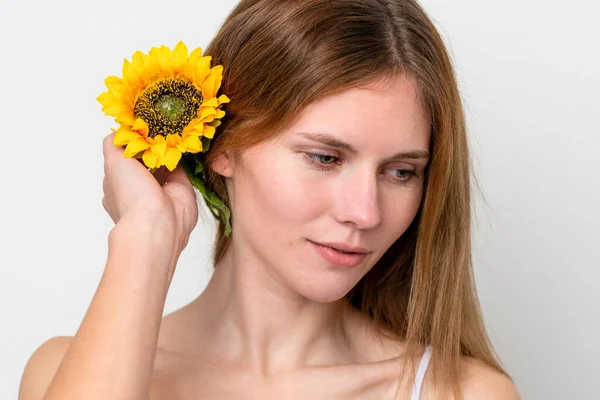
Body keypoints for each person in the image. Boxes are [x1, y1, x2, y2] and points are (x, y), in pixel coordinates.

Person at [19, 0, 521, 399]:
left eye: (401, 171)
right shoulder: (64, 375)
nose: (365, 213)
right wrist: (143, 242)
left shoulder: (459, 394)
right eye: (325, 157)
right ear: (223, 146)